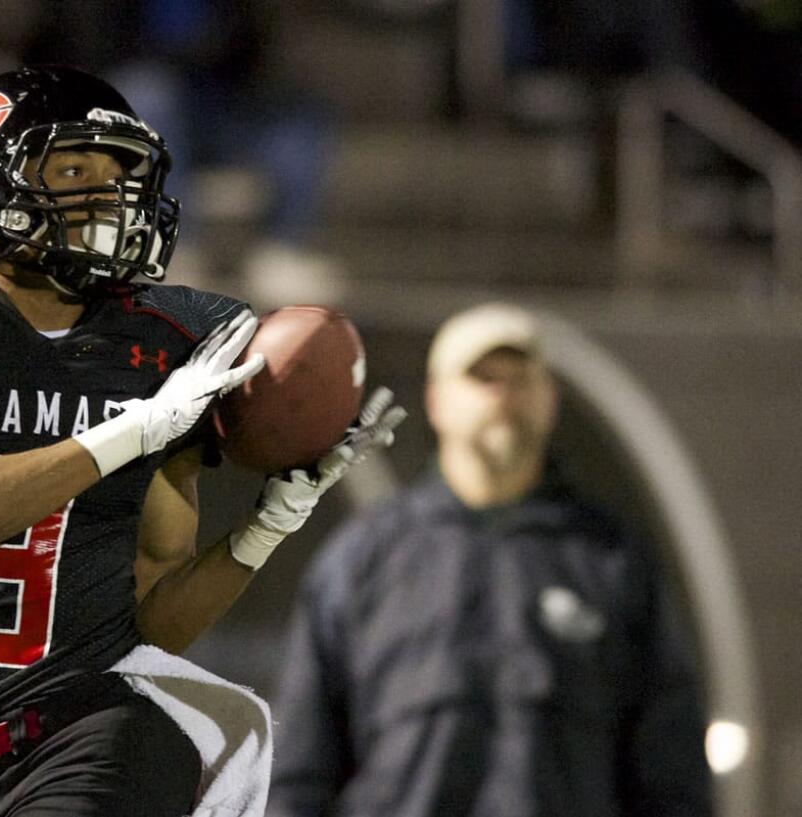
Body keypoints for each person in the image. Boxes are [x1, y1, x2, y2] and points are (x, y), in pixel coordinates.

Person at [0, 66, 403, 817]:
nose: (107, 197)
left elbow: (145, 628)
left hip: (104, 734)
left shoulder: (172, 341)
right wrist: (129, 432)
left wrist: (263, 530)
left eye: (120, 175)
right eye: (75, 169)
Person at [267, 302, 713, 817]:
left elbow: (671, 769)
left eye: (521, 378)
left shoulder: (610, 561)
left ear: (549, 400)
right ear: (436, 400)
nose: (503, 395)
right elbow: (299, 773)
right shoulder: (363, 560)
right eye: (482, 378)